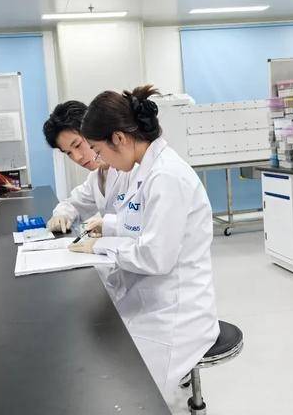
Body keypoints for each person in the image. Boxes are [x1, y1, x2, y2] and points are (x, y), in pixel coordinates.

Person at [69, 85, 220, 405]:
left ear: (119, 138)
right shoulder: (145, 170)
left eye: (98, 149)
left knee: (125, 393)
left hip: (176, 314)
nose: (99, 159)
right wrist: (109, 227)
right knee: (99, 347)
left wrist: (101, 245)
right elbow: (139, 223)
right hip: (151, 297)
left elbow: (155, 257)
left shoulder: (166, 176)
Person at [42, 100, 131, 236]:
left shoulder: (132, 169)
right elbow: (73, 204)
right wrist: (61, 216)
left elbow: (145, 223)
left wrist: (108, 225)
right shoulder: (97, 176)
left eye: (77, 145)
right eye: (69, 153)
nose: (77, 157)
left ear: (92, 130)